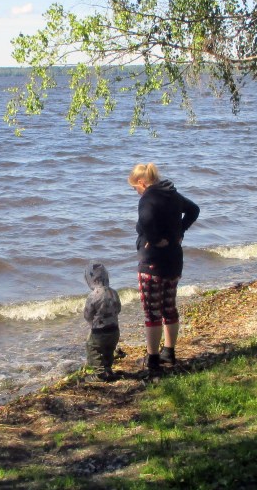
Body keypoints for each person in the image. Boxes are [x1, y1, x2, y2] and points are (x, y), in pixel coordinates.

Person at [128, 162, 200, 375]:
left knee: (152, 311)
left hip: (152, 262)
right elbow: (194, 210)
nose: (136, 192)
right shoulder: (173, 195)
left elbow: (146, 220)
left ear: (142, 182)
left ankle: (152, 359)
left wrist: (154, 239)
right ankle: (169, 352)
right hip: (174, 260)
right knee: (169, 306)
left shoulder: (147, 198)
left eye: (134, 188)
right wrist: (180, 231)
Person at [83, 261, 122, 381]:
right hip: (114, 330)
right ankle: (108, 369)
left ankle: (100, 374)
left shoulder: (93, 295)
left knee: (93, 348)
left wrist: (92, 322)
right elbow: (118, 309)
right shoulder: (113, 292)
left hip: (99, 331)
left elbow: (87, 314)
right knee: (109, 350)